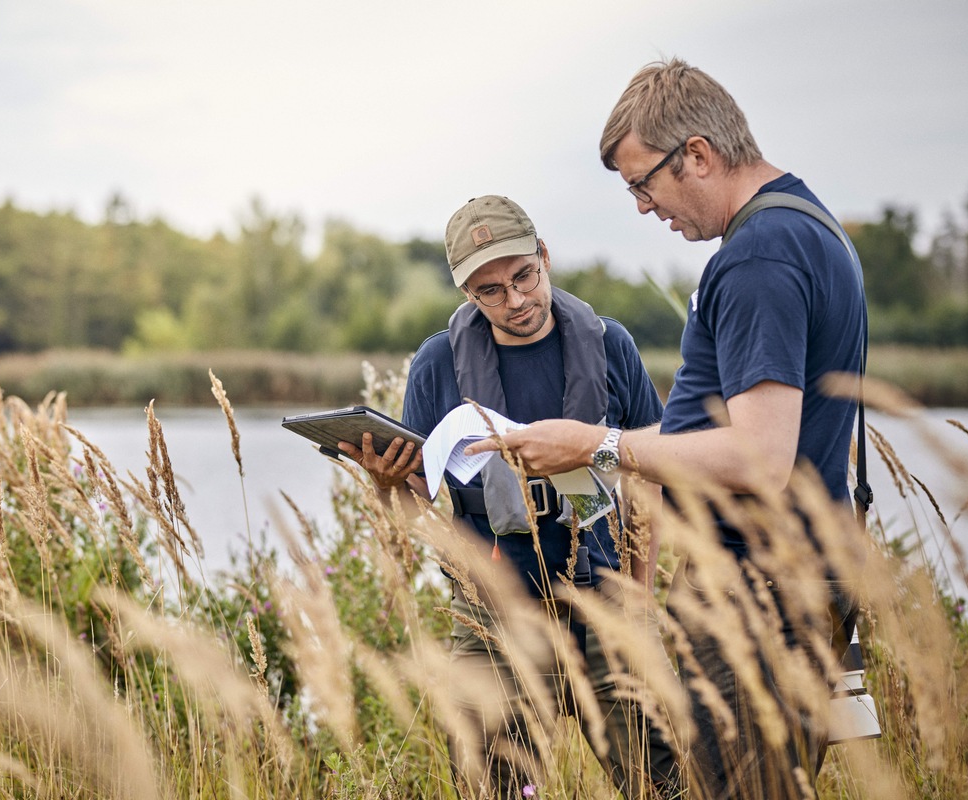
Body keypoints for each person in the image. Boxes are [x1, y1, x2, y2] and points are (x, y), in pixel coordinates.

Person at [467, 59, 869, 798]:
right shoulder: (810, 226)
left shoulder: (760, 256)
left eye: (643, 183)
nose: (645, 207)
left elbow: (759, 456)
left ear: (697, 154)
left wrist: (598, 445)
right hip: (795, 579)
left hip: (758, 596)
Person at [338, 194, 678, 799]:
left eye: (524, 275)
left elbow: (650, 475)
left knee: (664, 785)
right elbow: (416, 509)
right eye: (489, 290)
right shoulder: (436, 364)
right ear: (467, 294)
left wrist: (642, 600)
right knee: (489, 787)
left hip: (606, 603)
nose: (515, 300)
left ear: (544, 255)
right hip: (491, 617)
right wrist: (388, 486)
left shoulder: (612, 344)